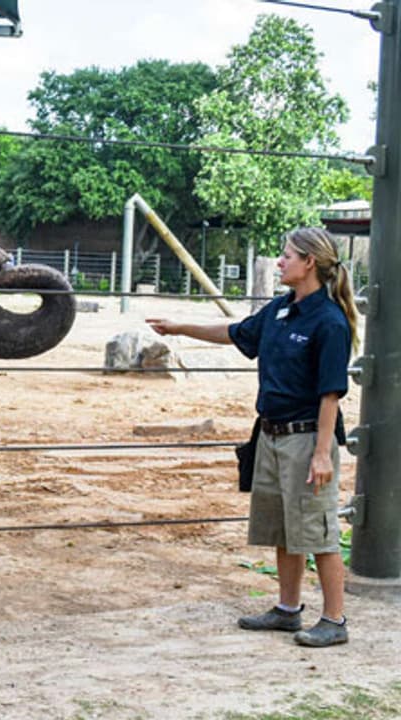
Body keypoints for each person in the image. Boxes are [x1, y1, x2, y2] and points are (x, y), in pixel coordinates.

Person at [147, 227, 358, 648]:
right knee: (283, 528)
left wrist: (322, 454)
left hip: (305, 438)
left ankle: (334, 620)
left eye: (286, 256)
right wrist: (179, 327)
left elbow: (330, 392)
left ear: (308, 263)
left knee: (317, 531)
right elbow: (235, 333)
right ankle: (287, 609)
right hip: (271, 434)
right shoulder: (281, 310)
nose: (280, 262)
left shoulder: (329, 321)